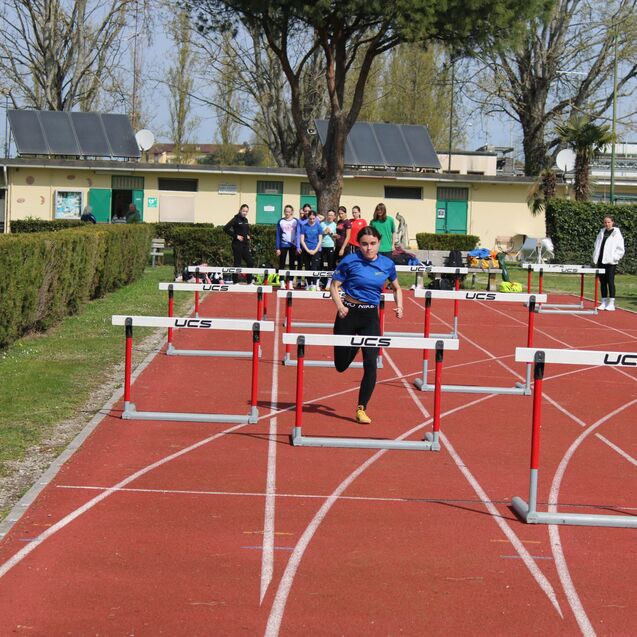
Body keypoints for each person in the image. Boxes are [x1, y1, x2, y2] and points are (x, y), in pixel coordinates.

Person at [330, 226, 403, 424]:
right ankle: (356, 345)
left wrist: (400, 306)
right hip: (348, 314)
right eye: (364, 244)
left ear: (379, 243)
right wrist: (340, 306)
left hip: (370, 317)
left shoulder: (387, 264)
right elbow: (334, 286)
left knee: (371, 363)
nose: (368, 248)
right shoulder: (350, 261)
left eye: (372, 244)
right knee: (341, 365)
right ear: (359, 244)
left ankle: (361, 408)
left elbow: (397, 288)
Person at [593, 215, 624, 311]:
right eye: (605, 222)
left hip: (611, 262)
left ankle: (611, 303)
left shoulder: (617, 233)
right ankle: (603, 302)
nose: (607, 224)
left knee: (610, 281)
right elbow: (596, 244)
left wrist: (614, 258)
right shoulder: (601, 232)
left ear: (612, 222)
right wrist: (596, 256)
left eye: (608, 222)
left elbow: (620, 248)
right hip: (601, 261)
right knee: (602, 282)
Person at [224, 203, 254, 284]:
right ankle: (235, 282)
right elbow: (225, 228)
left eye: (246, 211)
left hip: (245, 245)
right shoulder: (235, 219)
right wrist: (236, 236)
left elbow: (246, 230)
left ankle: (249, 282)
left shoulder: (246, 220)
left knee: (250, 262)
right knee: (237, 263)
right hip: (237, 245)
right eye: (243, 211)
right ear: (240, 210)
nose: (245, 213)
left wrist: (248, 235)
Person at [299, 210, 323, 291]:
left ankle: (315, 284)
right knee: (307, 267)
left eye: (313, 218)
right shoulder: (304, 226)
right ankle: (308, 284)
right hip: (306, 250)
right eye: (310, 218)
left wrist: (315, 250)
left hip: (315, 250)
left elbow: (320, 240)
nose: (312, 220)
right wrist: (307, 250)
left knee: (314, 267)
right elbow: (302, 240)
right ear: (308, 218)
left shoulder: (318, 227)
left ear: (315, 218)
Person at [276, 204, 298, 272]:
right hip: (283, 244)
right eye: (286, 211)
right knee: (281, 263)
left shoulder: (296, 221)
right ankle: (281, 278)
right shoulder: (280, 221)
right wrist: (277, 248)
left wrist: (298, 246)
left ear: (292, 212)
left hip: (293, 245)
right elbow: (278, 235)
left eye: (289, 212)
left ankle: (290, 278)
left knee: (292, 263)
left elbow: (299, 233)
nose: (287, 213)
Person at [320, 209, 337, 289]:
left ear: (334, 217)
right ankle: (320, 281)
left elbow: (336, 236)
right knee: (321, 264)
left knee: (330, 264)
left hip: (330, 246)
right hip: (322, 246)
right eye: (329, 215)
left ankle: (329, 282)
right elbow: (319, 234)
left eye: (332, 215)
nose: (330, 216)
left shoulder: (335, 225)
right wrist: (324, 232)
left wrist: (331, 232)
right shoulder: (322, 224)